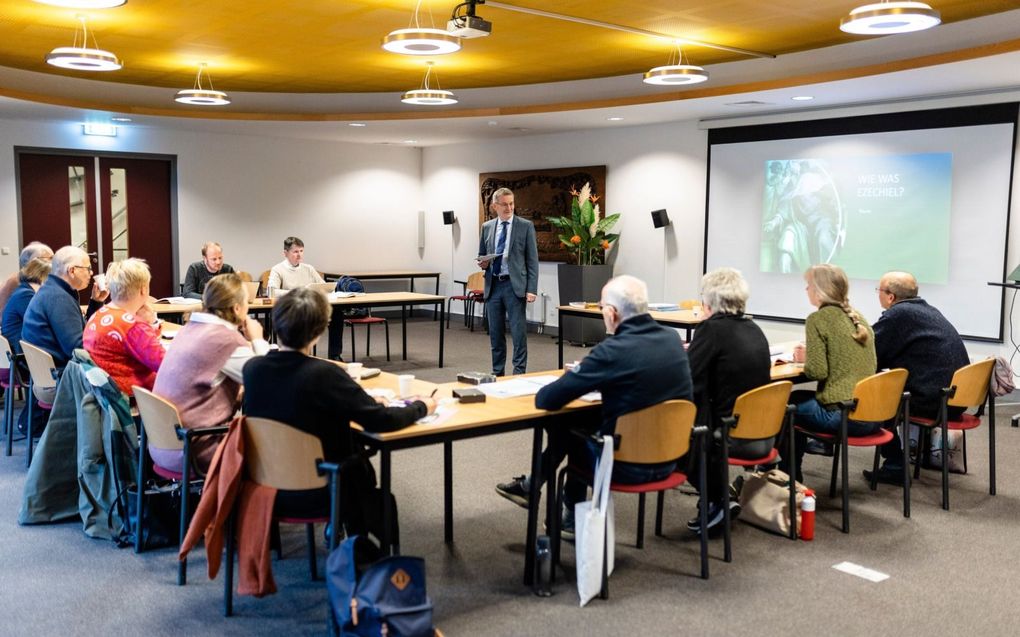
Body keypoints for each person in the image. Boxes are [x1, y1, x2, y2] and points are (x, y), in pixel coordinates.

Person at [495, 275, 692, 537]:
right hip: (671, 458)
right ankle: (539, 489)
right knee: (582, 421)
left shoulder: (613, 350)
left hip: (624, 464)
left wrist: (582, 374)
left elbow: (548, 400)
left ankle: (562, 508)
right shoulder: (671, 339)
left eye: (601, 308)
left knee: (563, 423)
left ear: (611, 313)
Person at [243, 287, 435, 521]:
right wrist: (422, 406)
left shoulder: (252, 370)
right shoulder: (324, 374)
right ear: (319, 332)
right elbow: (382, 421)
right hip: (323, 487)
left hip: (264, 484)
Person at [684, 267, 773, 532]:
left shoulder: (711, 330)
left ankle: (717, 500)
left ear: (708, 301)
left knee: (676, 439)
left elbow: (689, 380)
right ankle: (718, 500)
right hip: (763, 436)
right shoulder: (754, 329)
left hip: (727, 436)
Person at [152, 273, 269, 473]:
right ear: (237, 308)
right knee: (273, 449)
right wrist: (257, 339)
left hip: (162, 445)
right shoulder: (226, 340)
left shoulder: (188, 329)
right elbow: (270, 382)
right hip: (197, 449)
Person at [863, 271, 970, 484]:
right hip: (957, 398)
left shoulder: (897, 315)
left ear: (891, 296)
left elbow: (869, 356)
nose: (878, 295)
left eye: (879, 290)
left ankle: (895, 466)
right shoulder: (928, 310)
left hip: (934, 402)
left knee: (877, 400)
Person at [787, 263, 878, 480]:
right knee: (797, 399)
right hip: (873, 414)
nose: (806, 289)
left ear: (819, 290)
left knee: (787, 405)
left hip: (844, 416)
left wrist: (807, 360)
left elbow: (817, 371)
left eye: (808, 285)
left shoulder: (817, 319)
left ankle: (789, 477)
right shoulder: (859, 319)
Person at [477, 188, 539, 376]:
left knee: (518, 334)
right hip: (494, 285)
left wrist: (532, 289)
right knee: (496, 334)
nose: (509, 208)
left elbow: (532, 260)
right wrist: (484, 262)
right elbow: (481, 255)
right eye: (504, 204)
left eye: (511, 203)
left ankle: (519, 373)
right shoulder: (487, 227)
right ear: (495, 206)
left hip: (515, 287)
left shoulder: (525, 226)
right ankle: (497, 373)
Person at [83, 258, 165, 396]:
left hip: (102, 396)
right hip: (132, 398)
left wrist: (150, 324)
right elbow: (166, 365)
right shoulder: (133, 326)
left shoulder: (98, 315)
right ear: (144, 289)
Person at [21, 245, 109, 373]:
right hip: (62, 376)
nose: (91, 273)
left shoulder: (52, 289)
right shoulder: (59, 297)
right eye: (88, 268)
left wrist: (96, 302)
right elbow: (77, 349)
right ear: (72, 270)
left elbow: (83, 332)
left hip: (51, 372)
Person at [267, 236, 344, 361]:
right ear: (285, 253)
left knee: (337, 314)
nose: (299, 255)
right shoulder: (278, 269)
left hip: (311, 305)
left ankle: (335, 354)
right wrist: (299, 291)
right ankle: (293, 354)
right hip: (292, 307)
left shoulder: (308, 268)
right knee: (300, 317)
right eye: (295, 252)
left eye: (301, 251)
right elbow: (272, 291)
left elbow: (323, 285)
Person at [1, 257, 51, 435]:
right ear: (43, 277)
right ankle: (31, 423)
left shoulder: (22, 292)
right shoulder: (26, 295)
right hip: (22, 361)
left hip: (18, 357)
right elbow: (44, 322)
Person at [0, 242, 53, 316]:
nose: (53, 262)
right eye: (50, 258)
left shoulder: (33, 280)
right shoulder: (17, 280)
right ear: (33, 262)